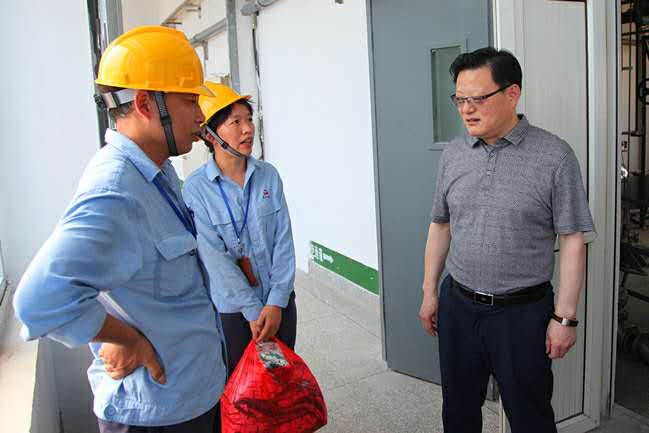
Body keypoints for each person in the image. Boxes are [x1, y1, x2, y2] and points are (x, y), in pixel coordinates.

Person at [13, 26, 227, 433]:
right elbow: (39, 300)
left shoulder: (155, 172)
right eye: (189, 101)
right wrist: (126, 339)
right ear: (145, 103)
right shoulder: (116, 191)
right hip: (157, 415)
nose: (201, 116)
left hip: (189, 394)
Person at [418, 47, 594, 433]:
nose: (466, 110)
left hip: (521, 315)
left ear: (512, 94)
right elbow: (440, 225)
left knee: (530, 417)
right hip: (458, 305)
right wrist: (430, 291)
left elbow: (572, 238)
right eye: (459, 99)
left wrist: (565, 317)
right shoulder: (454, 154)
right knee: (458, 412)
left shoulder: (555, 156)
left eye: (478, 99)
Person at [183, 81, 297, 375]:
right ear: (210, 134)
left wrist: (276, 302)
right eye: (236, 122)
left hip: (278, 305)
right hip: (235, 314)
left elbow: (283, 241)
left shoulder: (268, 175)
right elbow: (215, 260)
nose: (248, 129)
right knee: (243, 385)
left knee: (279, 379)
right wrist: (253, 311)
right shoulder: (196, 189)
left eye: (249, 119)